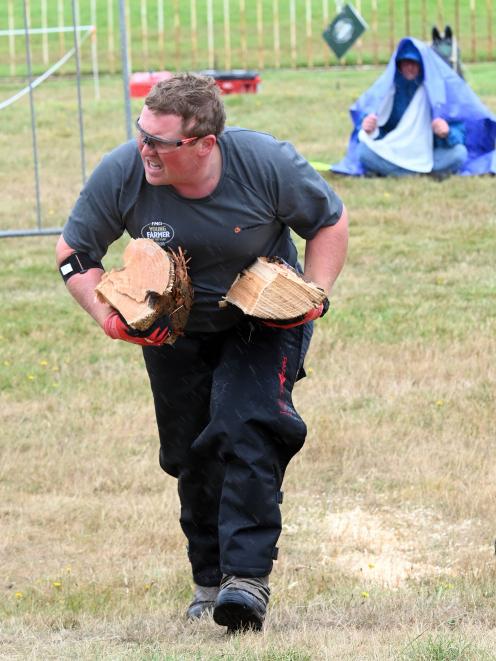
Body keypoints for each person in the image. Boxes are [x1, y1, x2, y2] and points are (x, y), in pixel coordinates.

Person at [55, 73, 348, 633]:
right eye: (142, 134)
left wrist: (314, 292)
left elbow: (329, 221)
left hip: (260, 318)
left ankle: (246, 581)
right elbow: (74, 254)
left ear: (206, 144)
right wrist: (108, 317)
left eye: (161, 142)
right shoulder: (125, 170)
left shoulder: (265, 163)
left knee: (246, 424)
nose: (146, 149)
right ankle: (208, 579)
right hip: (174, 328)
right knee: (192, 450)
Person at [332, 37, 496, 177]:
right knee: (363, 152)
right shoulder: (389, 92)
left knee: (459, 154)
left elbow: (458, 133)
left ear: (422, 66)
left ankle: (401, 172)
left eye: (414, 63)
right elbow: (379, 130)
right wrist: (369, 127)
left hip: (429, 154)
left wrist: (447, 133)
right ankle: (420, 173)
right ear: (399, 65)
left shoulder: (436, 93)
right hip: (395, 151)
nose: (410, 67)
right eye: (405, 63)